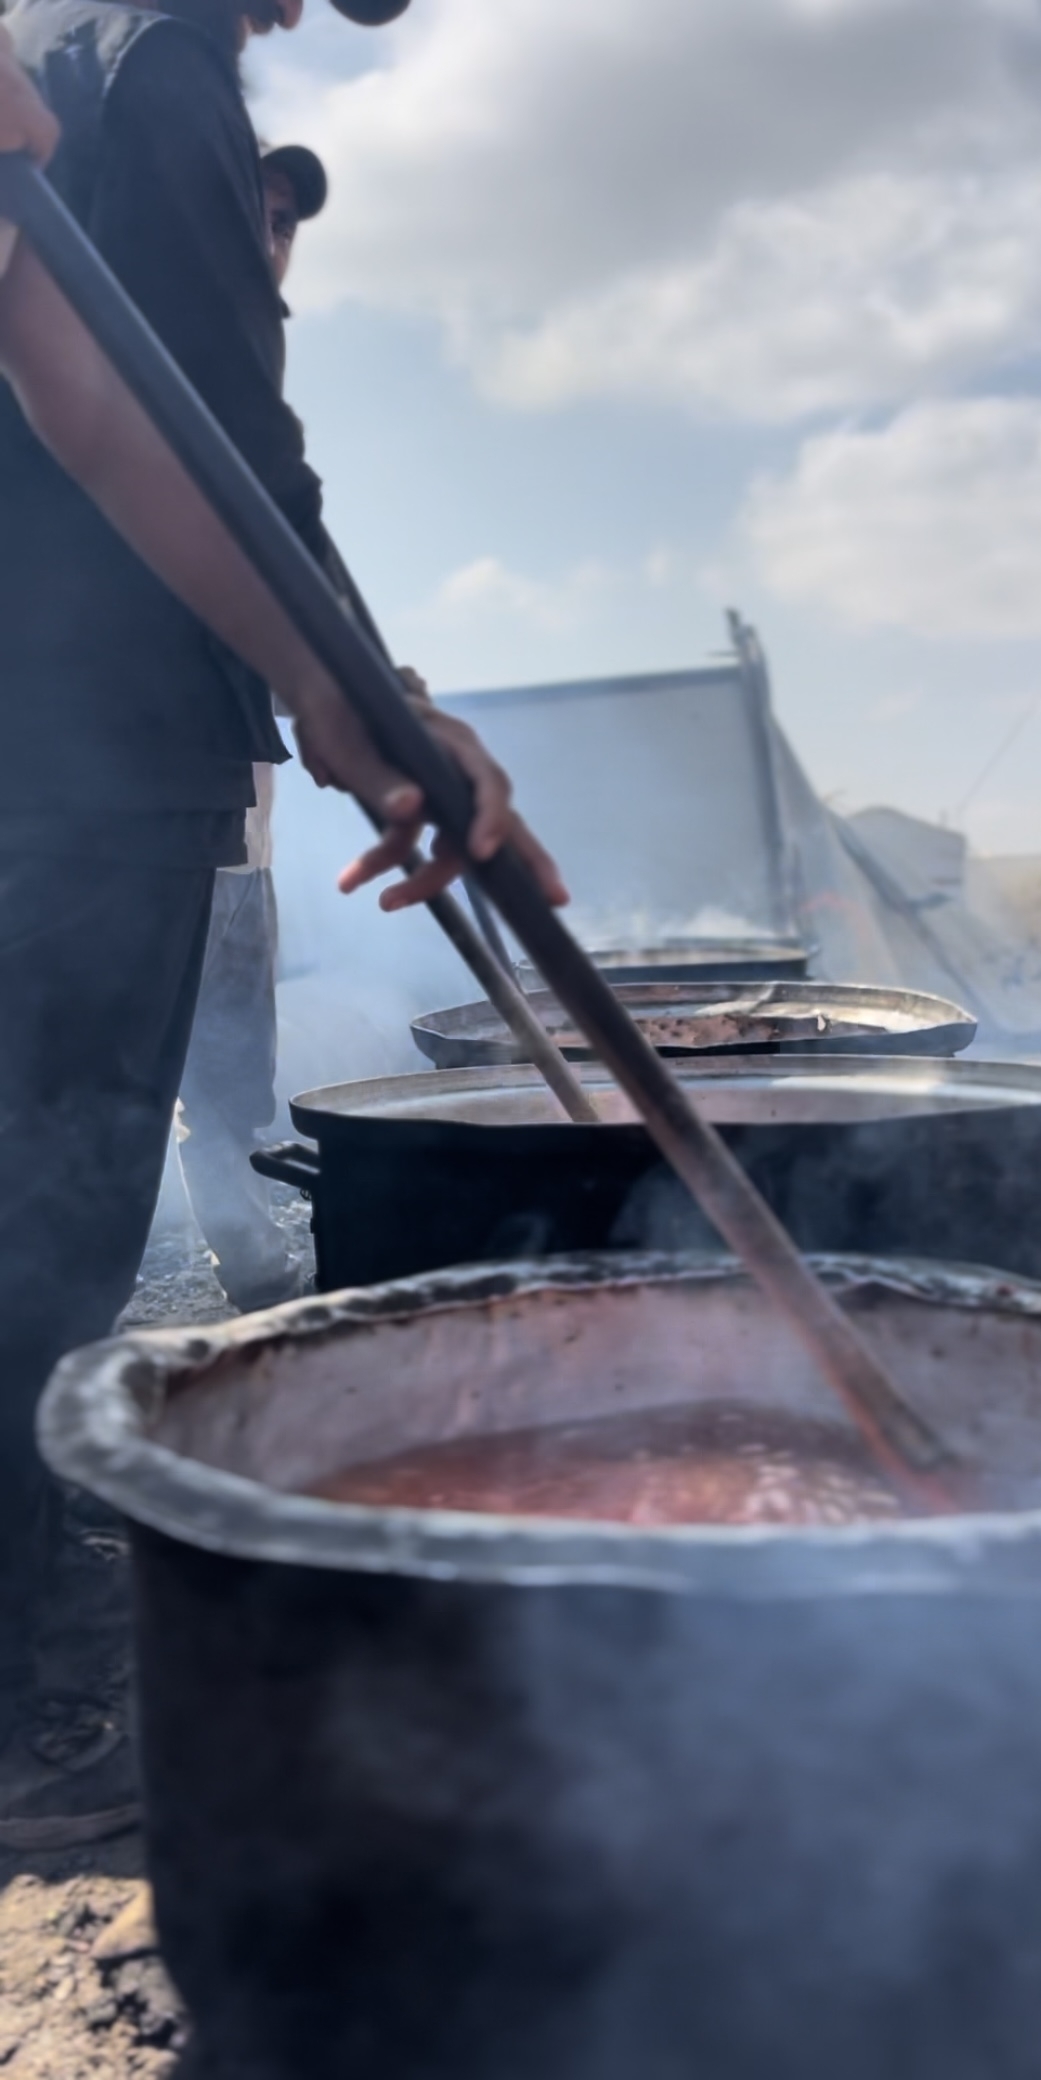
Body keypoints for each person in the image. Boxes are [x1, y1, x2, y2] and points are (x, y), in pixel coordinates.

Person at [0, 3, 564, 1846]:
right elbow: (182, 414)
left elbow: (107, 396)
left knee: (46, 1232)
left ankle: (27, 1599)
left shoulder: (83, 64)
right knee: (32, 1239)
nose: (307, 15)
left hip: (92, 740)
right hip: (70, 749)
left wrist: (349, 695)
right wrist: (350, 694)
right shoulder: (147, 55)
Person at [175, 143, 328, 1313]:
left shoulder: (247, 384)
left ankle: (240, 1238)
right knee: (121, 1067)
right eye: (256, 215)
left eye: (285, 226)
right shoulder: (163, 358)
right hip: (138, 808)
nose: (271, 245)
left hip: (238, 825)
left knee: (228, 1065)